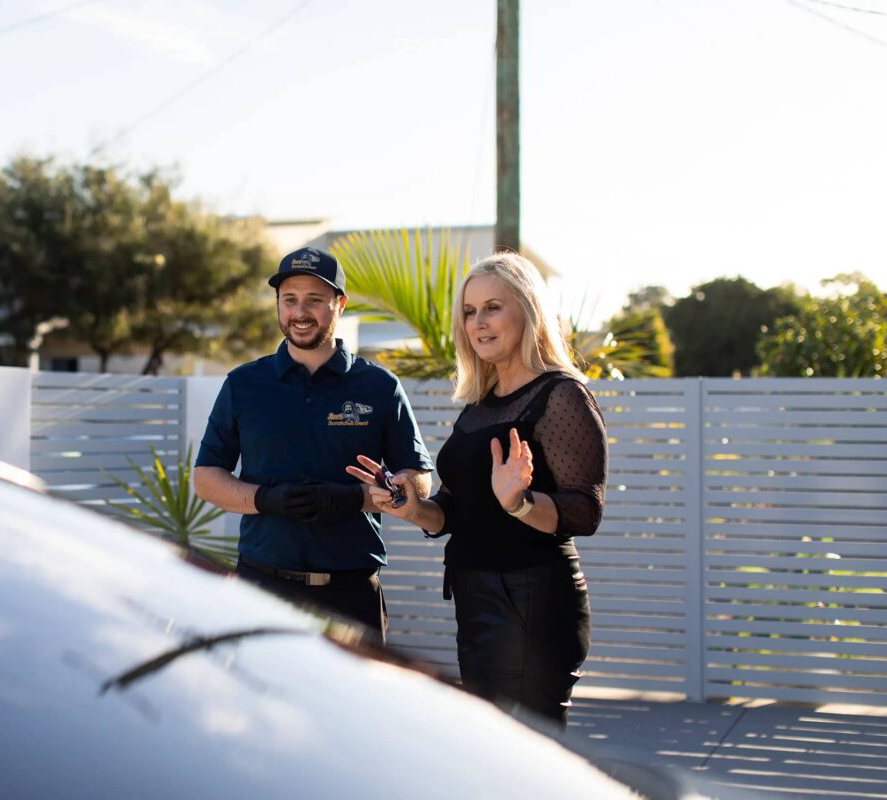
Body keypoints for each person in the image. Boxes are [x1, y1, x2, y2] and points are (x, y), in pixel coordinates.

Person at [346, 251, 606, 727]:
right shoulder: (481, 405)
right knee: (496, 748)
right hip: (476, 593)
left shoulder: (561, 394)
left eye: (493, 307)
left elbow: (584, 511)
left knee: (525, 755)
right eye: (469, 312)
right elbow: (451, 511)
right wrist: (410, 505)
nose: (478, 323)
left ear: (527, 310)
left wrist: (520, 503)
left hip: (530, 597)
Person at [194, 246, 433, 646]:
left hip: (351, 594)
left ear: (339, 305)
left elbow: (419, 480)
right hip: (261, 589)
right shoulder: (244, 384)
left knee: (354, 709)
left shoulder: (379, 387)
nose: (299, 312)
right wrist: (266, 499)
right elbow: (205, 478)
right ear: (278, 304)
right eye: (289, 300)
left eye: (314, 300)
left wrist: (358, 497)